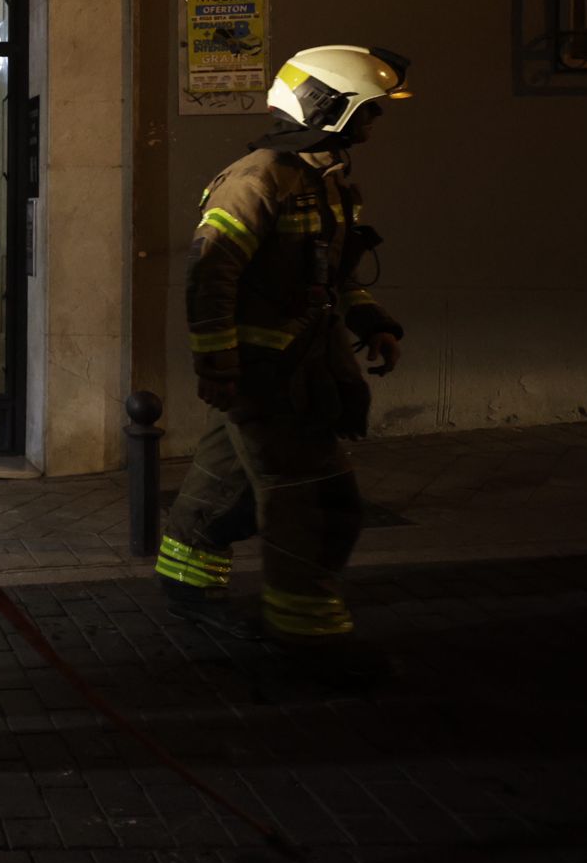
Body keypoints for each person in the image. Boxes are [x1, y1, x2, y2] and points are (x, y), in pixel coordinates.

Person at [155, 46, 410, 677]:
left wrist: (371, 322)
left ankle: (185, 584)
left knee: (222, 485)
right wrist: (216, 366)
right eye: (367, 111)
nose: (374, 125)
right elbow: (209, 275)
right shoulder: (259, 179)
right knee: (318, 502)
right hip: (266, 379)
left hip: (301, 367)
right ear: (331, 107)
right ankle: (308, 635)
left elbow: (333, 275)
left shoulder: (326, 181)